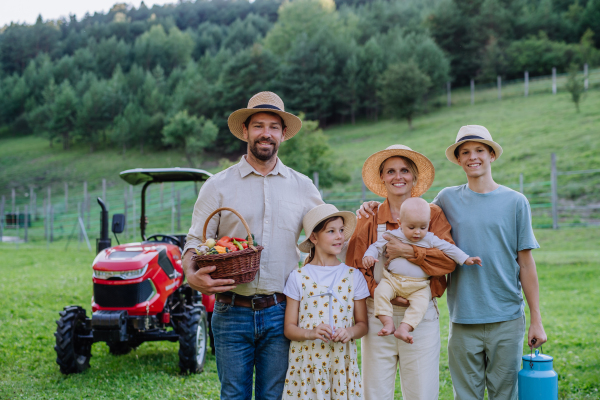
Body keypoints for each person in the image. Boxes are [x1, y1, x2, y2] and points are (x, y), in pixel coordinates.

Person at [181, 91, 323, 400]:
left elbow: (325, 234)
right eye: (258, 125)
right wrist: (191, 274)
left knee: (273, 396)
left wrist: (367, 216)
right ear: (245, 131)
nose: (266, 133)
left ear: (283, 135)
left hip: (281, 311)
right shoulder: (218, 185)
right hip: (231, 310)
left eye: (274, 126)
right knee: (233, 395)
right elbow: (194, 239)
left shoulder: (303, 186)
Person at [432, 125, 547, 400]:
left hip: (507, 318)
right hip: (463, 319)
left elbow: (527, 265)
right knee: (466, 395)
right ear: (459, 160)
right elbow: (413, 219)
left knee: (504, 394)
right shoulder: (446, 199)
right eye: (465, 152)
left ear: (492, 155)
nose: (473, 157)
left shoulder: (516, 202)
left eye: (480, 150)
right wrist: (374, 207)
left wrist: (536, 320)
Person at [346, 144, 458, 400]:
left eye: (405, 170)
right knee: (375, 393)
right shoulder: (370, 216)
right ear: (382, 178)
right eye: (391, 171)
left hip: (420, 316)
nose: (399, 176)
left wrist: (410, 252)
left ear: (415, 177)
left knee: (422, 393)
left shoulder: (433, 214)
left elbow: (448, 262)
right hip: (378, 315)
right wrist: (383, 293)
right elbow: (354, 267)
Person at [363, 197, 482, 343]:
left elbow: (449, 248)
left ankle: (405, 328)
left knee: (421, 305)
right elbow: (376, 246)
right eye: (411, 227)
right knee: (381, 292)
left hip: (419, 286)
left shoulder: (430, 238)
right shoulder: (392, 235)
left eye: (423, 227)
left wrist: (465, 259)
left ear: (428, 224)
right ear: (400, 223)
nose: (417, 232)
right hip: (393, 280)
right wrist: (369, 255)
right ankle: (387, 322)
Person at [282, 204, 369, 399]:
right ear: (314, 237)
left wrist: (349, 332)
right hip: (307, 365)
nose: (339, 236)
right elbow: (289, 328)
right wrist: (311, 333)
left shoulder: (353, 276)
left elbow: (363, 325)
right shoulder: (298, 277)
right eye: (331, 231)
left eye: (341, 230)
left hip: (341, 364)